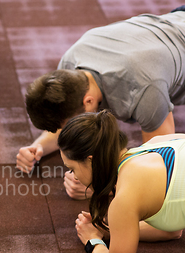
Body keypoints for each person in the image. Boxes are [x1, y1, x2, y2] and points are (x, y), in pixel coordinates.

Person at [16, 10, 185, 199]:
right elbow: (64, 121)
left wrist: (103, 187)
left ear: (88, 101)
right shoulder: (70, 64)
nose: (69, 131)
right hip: (172, 24)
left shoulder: (144, 90)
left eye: (71, 125)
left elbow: (165, 168)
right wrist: (39, 146)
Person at [57, 110, 184, 253]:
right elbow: (172, 229)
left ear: (91, 161)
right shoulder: (155, 144)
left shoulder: (125, 199)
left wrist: (93, 241)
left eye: (72, 168)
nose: (74, 177)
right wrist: (112, 230)